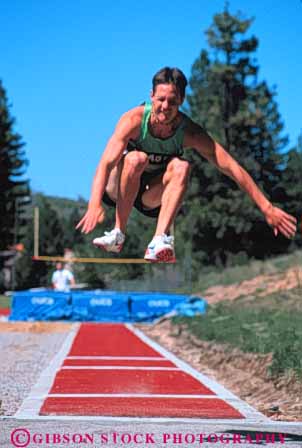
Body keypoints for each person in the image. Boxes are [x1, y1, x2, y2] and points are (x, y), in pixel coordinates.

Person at [76, 67, 297, 262]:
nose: (165, 106)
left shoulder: (189, 132)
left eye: (172, 101)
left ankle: (159, 240)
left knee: (182, 166)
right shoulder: (133, 121)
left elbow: (232, 167)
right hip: (118, 189)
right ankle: (118, 233)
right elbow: (105, 164)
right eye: (160, 99)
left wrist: (267, 208)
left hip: (149, 196)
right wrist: (94, 204)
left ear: (181, 100)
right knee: (136, 158)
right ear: (151, 96)